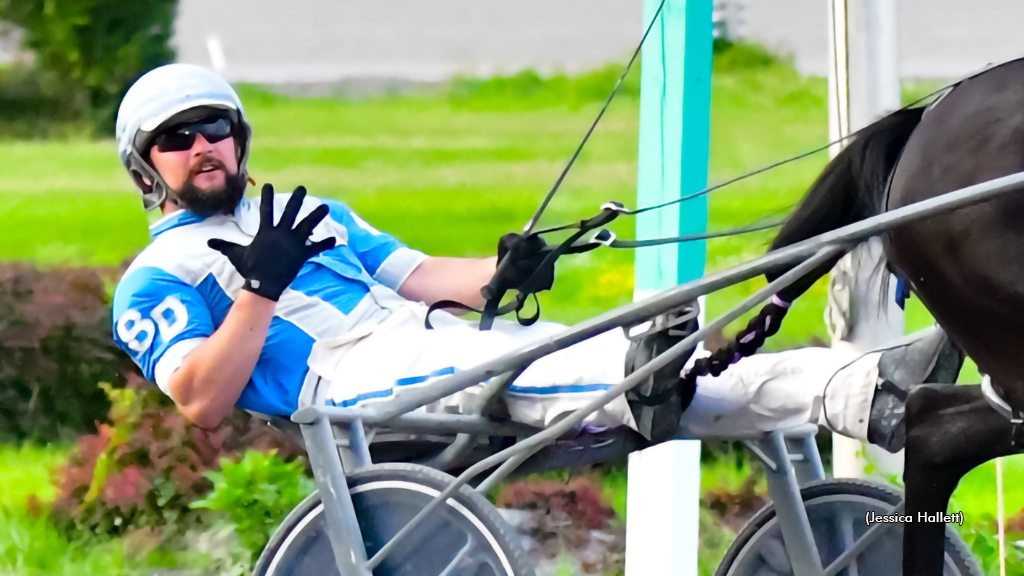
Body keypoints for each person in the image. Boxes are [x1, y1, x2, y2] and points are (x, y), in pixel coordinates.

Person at [111, 64, 962, 455]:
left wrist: (507, 270)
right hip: (336, 386)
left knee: (649, 364)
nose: (203, 147)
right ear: (149, 168)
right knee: (559, 360)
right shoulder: (155, 281)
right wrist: (258, 290)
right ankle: (653, 375)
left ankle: (862, 393)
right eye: (177, 140)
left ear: (239, 136)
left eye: (213, 127)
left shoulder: (306, 213)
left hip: (423, 341)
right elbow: (201, 402)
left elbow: (423, 280)